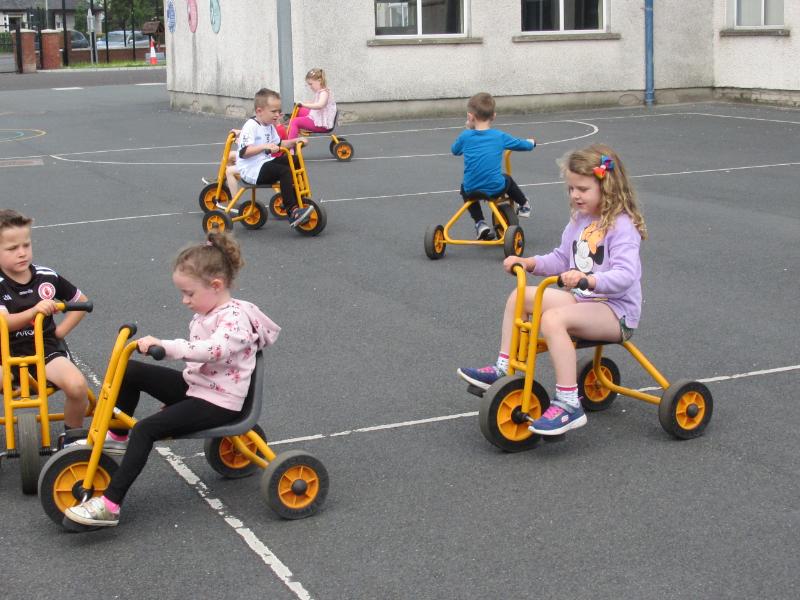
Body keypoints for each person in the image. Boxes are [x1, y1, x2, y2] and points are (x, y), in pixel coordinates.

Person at [64, 231, 281, 528]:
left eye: (189, 293)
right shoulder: (211, 309)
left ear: (216, 286)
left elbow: (213, 350)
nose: (184, 300)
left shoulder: (234, 320)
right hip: (200, 387)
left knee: (145, 430)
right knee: (131, 370)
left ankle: (110, 505)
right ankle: (117, 436)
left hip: (219, 402)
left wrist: (167, 347)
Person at [457, 144, 647, 436]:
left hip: (615, 310)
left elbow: (625, 275)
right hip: (583, 300)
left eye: (583, 189)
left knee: (553, 320)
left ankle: (569, 403)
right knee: (520, 296)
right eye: (571, 188)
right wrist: (529, 262)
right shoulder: (580, 219)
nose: (575, 195)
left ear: (607, 187)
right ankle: (503, 367)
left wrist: (588, 280)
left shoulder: (622, 226)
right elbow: (561, 258)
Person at [0, 209, 90, 448]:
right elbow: (4, 323)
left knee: (77, 386)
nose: (22, 252)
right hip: (4, 353)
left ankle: (72, 439)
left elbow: (81, 302)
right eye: (12, 248)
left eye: (26, 245)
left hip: (44, 349)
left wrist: (59, 333)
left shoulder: (46, 276)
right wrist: (35, 311)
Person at [451, 92, 536, 241]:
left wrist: (468, 129)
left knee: (465, 188)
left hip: (472, 190)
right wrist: (531, 143)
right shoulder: (499, 136)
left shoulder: (465, 136)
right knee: (507, 178)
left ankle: (480, 223)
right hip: (494, 188)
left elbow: (455, 150)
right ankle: (524, 204)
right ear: (494, 116)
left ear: (470, 116)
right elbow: (520, 144)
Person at [235, 88, 312, 228]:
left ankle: (298, 199)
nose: (277, 115)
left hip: (264, 163)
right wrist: (264, 146)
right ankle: (292, 210)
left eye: (279, 111)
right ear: (259, 111)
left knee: (294, 160)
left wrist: (296, 141)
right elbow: (244, 152)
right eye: (273, 111)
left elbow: (279, 143)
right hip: (252, 170)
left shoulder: (269, 126)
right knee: (284, 171)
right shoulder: (251, 126)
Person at [286, 68, 337, 140]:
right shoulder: (320, 92)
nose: (310, 87)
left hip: (321, 125)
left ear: (319, 81)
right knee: (299, 110)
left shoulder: (324, 93)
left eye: (311, 84)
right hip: (318, 117)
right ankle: (292, 129)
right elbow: (315, 103)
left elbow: (320, 105)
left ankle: (290, 143)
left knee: (294, 121)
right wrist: (305, 103)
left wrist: (304, 105)